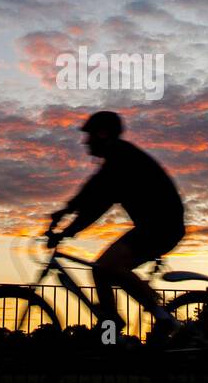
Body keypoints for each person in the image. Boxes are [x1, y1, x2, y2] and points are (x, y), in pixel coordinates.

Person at [47, 111, 185, 337]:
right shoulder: (116, 157)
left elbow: (98, 202)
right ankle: (112, 332)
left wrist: (68, 229)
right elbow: (92, 190)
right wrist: (66, 211)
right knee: (101, 270)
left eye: (89, 135)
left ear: (102, 134)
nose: (85, 141)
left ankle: (162, 318)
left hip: (162, 226)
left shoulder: (121, 158)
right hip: (154, 226)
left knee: (110, 265)